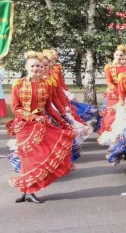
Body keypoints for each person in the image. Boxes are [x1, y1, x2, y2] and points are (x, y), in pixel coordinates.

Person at [8, 52, 76, 203]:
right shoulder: (18, 84)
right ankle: (28, 191)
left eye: (39, 66)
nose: (36, 69)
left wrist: (63, 121)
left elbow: (49, 108)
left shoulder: (46, 84)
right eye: (32, 66)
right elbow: (15, 108)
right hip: (25, 126)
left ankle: (29, 190)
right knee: (28, 160)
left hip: (42, 124)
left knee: (40, 157)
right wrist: (33, 117)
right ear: (26, 67)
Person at [97, 44, 126, 134]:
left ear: (124, 56)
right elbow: (109, 82)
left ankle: (120, 133)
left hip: (124, 91)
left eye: (121, 55)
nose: (119, 57)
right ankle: (108, 132)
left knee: (122, 112)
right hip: (113, 92)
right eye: (117, 55)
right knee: (111, 112)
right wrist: (117, 91)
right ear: (114, 55)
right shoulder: (109, 67)